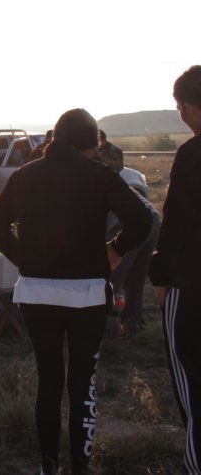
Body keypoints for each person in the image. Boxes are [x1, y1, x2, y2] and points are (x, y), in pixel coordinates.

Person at [0, 108, 152, 475]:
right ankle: (80, 467)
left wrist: (24, 258)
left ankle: (48, 467)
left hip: (36, 294)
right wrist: (116, 249)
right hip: (87, 295)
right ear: (91, 145)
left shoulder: (27, 174)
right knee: (81, 385)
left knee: (49, 381)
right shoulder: (100, 175)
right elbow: (143, 219)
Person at [149, 65, 201, 474]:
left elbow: (177, 220)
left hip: (191, 284)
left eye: (180, 107)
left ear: (189, 107)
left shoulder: (192, 154)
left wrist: (161, 275)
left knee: (192, 378)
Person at [106, 190, 160, 338]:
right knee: (136, 278)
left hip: (126, 224)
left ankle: (100, 327)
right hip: (152, 219)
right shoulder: (112, 183)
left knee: (108, 277)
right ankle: (132, 324)